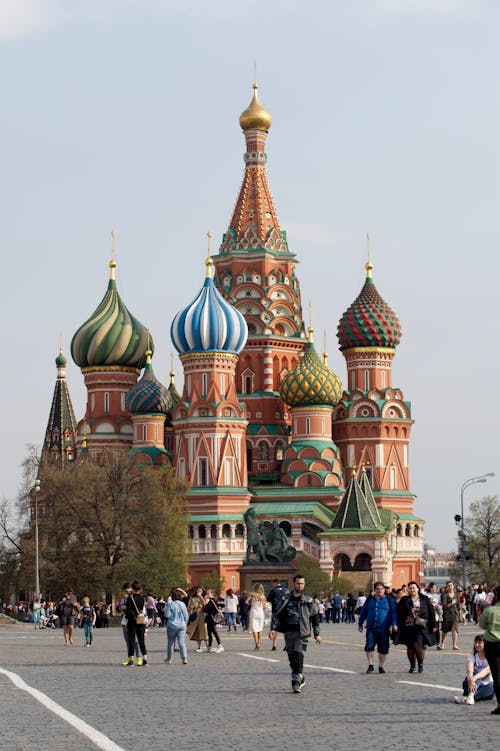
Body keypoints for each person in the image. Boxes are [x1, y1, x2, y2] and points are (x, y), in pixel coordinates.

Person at [269, 573, 320, 693]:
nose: (300, 585)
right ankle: (300, 676)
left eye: (302, 583)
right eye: (298, 583)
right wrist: (273, 628)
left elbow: (314, 617)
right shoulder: (285, 598)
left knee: (298, 654)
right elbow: (277, 613)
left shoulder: (308, 600)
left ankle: (295, 682)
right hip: (288, 631)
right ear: (294, 584)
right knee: (292, 657)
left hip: (302, 632)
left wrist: (317, 633)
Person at [394, 580, 436, 673]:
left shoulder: (425, 599)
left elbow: (431, 612)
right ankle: (412, 665)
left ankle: (420, 664)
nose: (412, 589)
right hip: (408, 626)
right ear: (408, 590)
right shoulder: (404, 599)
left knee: (418, 644)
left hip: (421, 625)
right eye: (410, 588)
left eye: (414, 588)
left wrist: (434, 625)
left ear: (418, 589)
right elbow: (398, 611)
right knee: (410, 647)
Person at [358, 581, 398, 674]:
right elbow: (363, 612)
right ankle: (370, 665)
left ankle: (381, 666)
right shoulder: (369, 600)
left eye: (381, 589)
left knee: (383, 648)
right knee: (369, 646)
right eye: (377, 589)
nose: (379, 590)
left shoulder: (389, 600)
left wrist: (394, 624)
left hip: (384, 628)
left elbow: (393, 613)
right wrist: (360, 624)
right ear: (374, 590)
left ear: (384, 590)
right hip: (371, 628)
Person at [454, 634, 494, 704]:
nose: (477, 645)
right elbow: (470, 671)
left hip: (487, 686)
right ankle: (470, 695)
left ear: (485, 644)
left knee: (493, 685)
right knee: (475, 672)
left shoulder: (491, 658)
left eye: (479, 643)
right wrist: (471, 680)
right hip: (471, 684)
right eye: (475, 642)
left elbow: (486, 671)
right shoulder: (472, 657)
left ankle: (467, 697)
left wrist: (474, 678)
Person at [479, 583, 500, 715]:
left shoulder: (489, 610)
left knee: (497, 676)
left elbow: (482, 625)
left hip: (493, 645)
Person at [122, 581, 148, 666]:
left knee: (131, 641)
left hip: (132, 622)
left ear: (133, 588)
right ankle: (145, 659)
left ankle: (132, 659)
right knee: (141, 641)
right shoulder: (142, 598)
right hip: (141, 621)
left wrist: (126, 621)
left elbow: (128, 612)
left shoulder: (130, 598)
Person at [164, 587, 188, 664]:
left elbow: (167, 615)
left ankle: (169, 659)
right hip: (182, 625)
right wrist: (184, 622)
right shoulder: (183, 604)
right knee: (182, 642)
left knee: (171, 642)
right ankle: (184, 658)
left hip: (172, 625)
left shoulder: (171, 604)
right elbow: (186, 616)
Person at [267, 577, 289, 651]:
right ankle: (287, 645)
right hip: (285, 611)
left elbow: (268, 598)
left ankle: (274, 645)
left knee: (274, 629)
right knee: (285, 630)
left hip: (276, 611)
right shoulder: (286, 590)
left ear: (275, 583)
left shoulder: (273, 590)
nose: (272, 585)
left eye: (272, 583)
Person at [438, 580, 459, 650]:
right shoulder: (444, 594)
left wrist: (460, 613)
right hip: (447, 614)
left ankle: (454, 645)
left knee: (454, 629)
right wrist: (451, 603)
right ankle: (442, 643)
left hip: (455, 614)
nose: (450, 587)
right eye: (448, 585)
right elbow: (444, 606)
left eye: (451, 585)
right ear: (446, 587)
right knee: (445, 630)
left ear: (453, 586)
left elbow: (458, 605)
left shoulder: (456, 594)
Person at [187, 587, 209, 653]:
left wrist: (201, 597)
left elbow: (205, 604)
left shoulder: (205, 598)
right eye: (198, 590)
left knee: (205, 632)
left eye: (200, 591)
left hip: (203, 617)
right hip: (196, 616)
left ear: (202, 592)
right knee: (197, 632)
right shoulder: (192, 598)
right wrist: (192, 609)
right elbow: (189, 607)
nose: (199, 592)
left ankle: (208, 647)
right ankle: (199, 647)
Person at [247, 583, 267, 650]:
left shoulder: (252, 595)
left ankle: (256, 643)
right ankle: (259, 642)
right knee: (260, 629)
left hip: (254, 612)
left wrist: (251, 604)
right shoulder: (263, 596)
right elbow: (265, 607)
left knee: (254, 629)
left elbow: (246, 602)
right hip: (260, 613)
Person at [204, 589, 224, 653]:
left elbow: (208, 610)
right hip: (209, 619)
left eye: (208, 593)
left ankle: (220, 646)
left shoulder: (212, 601)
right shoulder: (210, 601)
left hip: (212, 619)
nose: (207, 594)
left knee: (214, 632)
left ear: (212, 594)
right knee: (209, 633)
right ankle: (209, 647)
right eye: (207, 593)